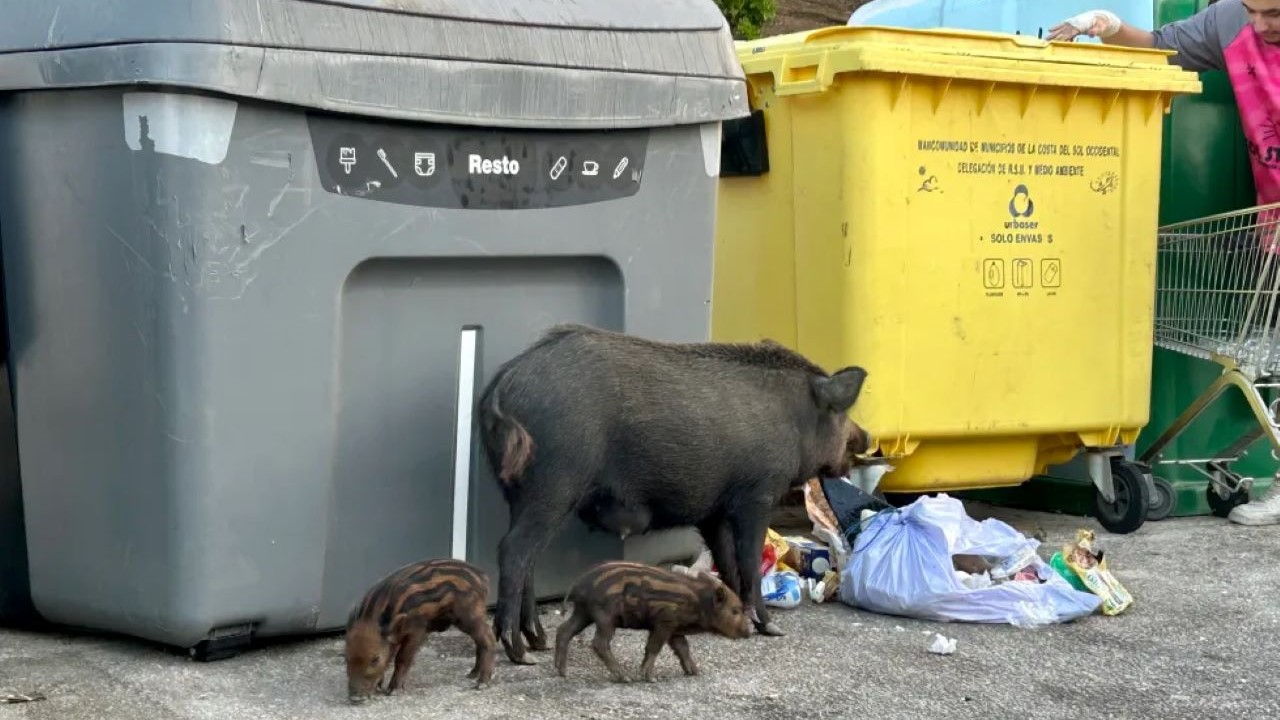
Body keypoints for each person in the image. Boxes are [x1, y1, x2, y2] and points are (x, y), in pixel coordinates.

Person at [1050, 1, 1280, 527]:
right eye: (1254, 10)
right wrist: (1106, 25)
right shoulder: (1228, 23)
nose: (1261, 25)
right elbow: (1158, 48)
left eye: (1276, 13)